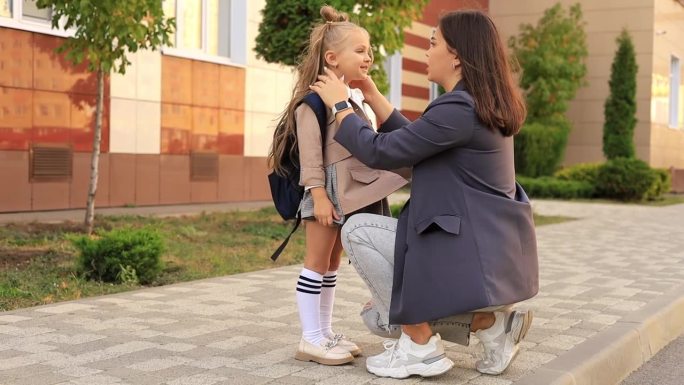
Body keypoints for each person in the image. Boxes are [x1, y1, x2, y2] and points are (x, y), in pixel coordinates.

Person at [310, 9, 538, 378]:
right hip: (486, 256)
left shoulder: (459, 108)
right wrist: (371, 95)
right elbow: (418, 140)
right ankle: (488, 324)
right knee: (377, 315)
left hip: (466, 254)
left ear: (457, 55)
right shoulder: (474, 104)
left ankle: (418, 344)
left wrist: (339, 105)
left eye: (433, 44)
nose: (425, 52)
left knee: (359, 238)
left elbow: (383, 152)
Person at [267, 6, 408, 366]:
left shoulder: (348, 97)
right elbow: (312, 157)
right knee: (315, 263)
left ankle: (325, 332)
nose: (370, 56)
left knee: (332, 263)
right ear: (332, 58)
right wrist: (318, 196)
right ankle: (310, 338)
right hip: (326, 195)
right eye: (359, 50)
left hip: (347, 195)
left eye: (370, 49)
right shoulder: (313, 102)